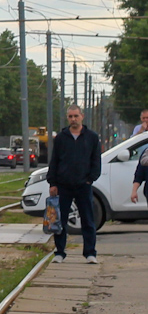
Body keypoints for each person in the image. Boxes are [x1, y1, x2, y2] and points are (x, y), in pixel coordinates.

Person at [46, 104, 101, 264]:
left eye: (76, 116)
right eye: (70, 116)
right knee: (59, 220)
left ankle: (90, 253)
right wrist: (53, 182)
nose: (73, 119)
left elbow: (96, 160)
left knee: (88, 219)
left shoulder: (91, 137)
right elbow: (54, 161)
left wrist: (91, 178)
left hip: (84, 184)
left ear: (82, 116)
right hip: (64, 184)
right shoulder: (61, 138)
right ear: (67, 118)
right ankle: (60, 252)